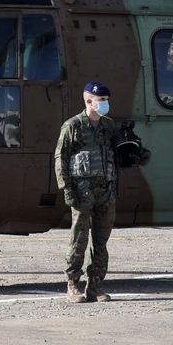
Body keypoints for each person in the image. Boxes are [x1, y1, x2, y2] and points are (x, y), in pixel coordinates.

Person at [55, 81, 121, 303]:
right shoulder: (73, 126)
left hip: (106, 191)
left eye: (106, 100)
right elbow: (60, 158)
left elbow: (118, 154)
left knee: (101, 241)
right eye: (101, 100)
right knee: (79, 239)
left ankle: (95, 286)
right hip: (82, 193)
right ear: (88, 101)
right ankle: (73, 285)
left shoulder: (109, 126)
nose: (105, 104)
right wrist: (66, 188)